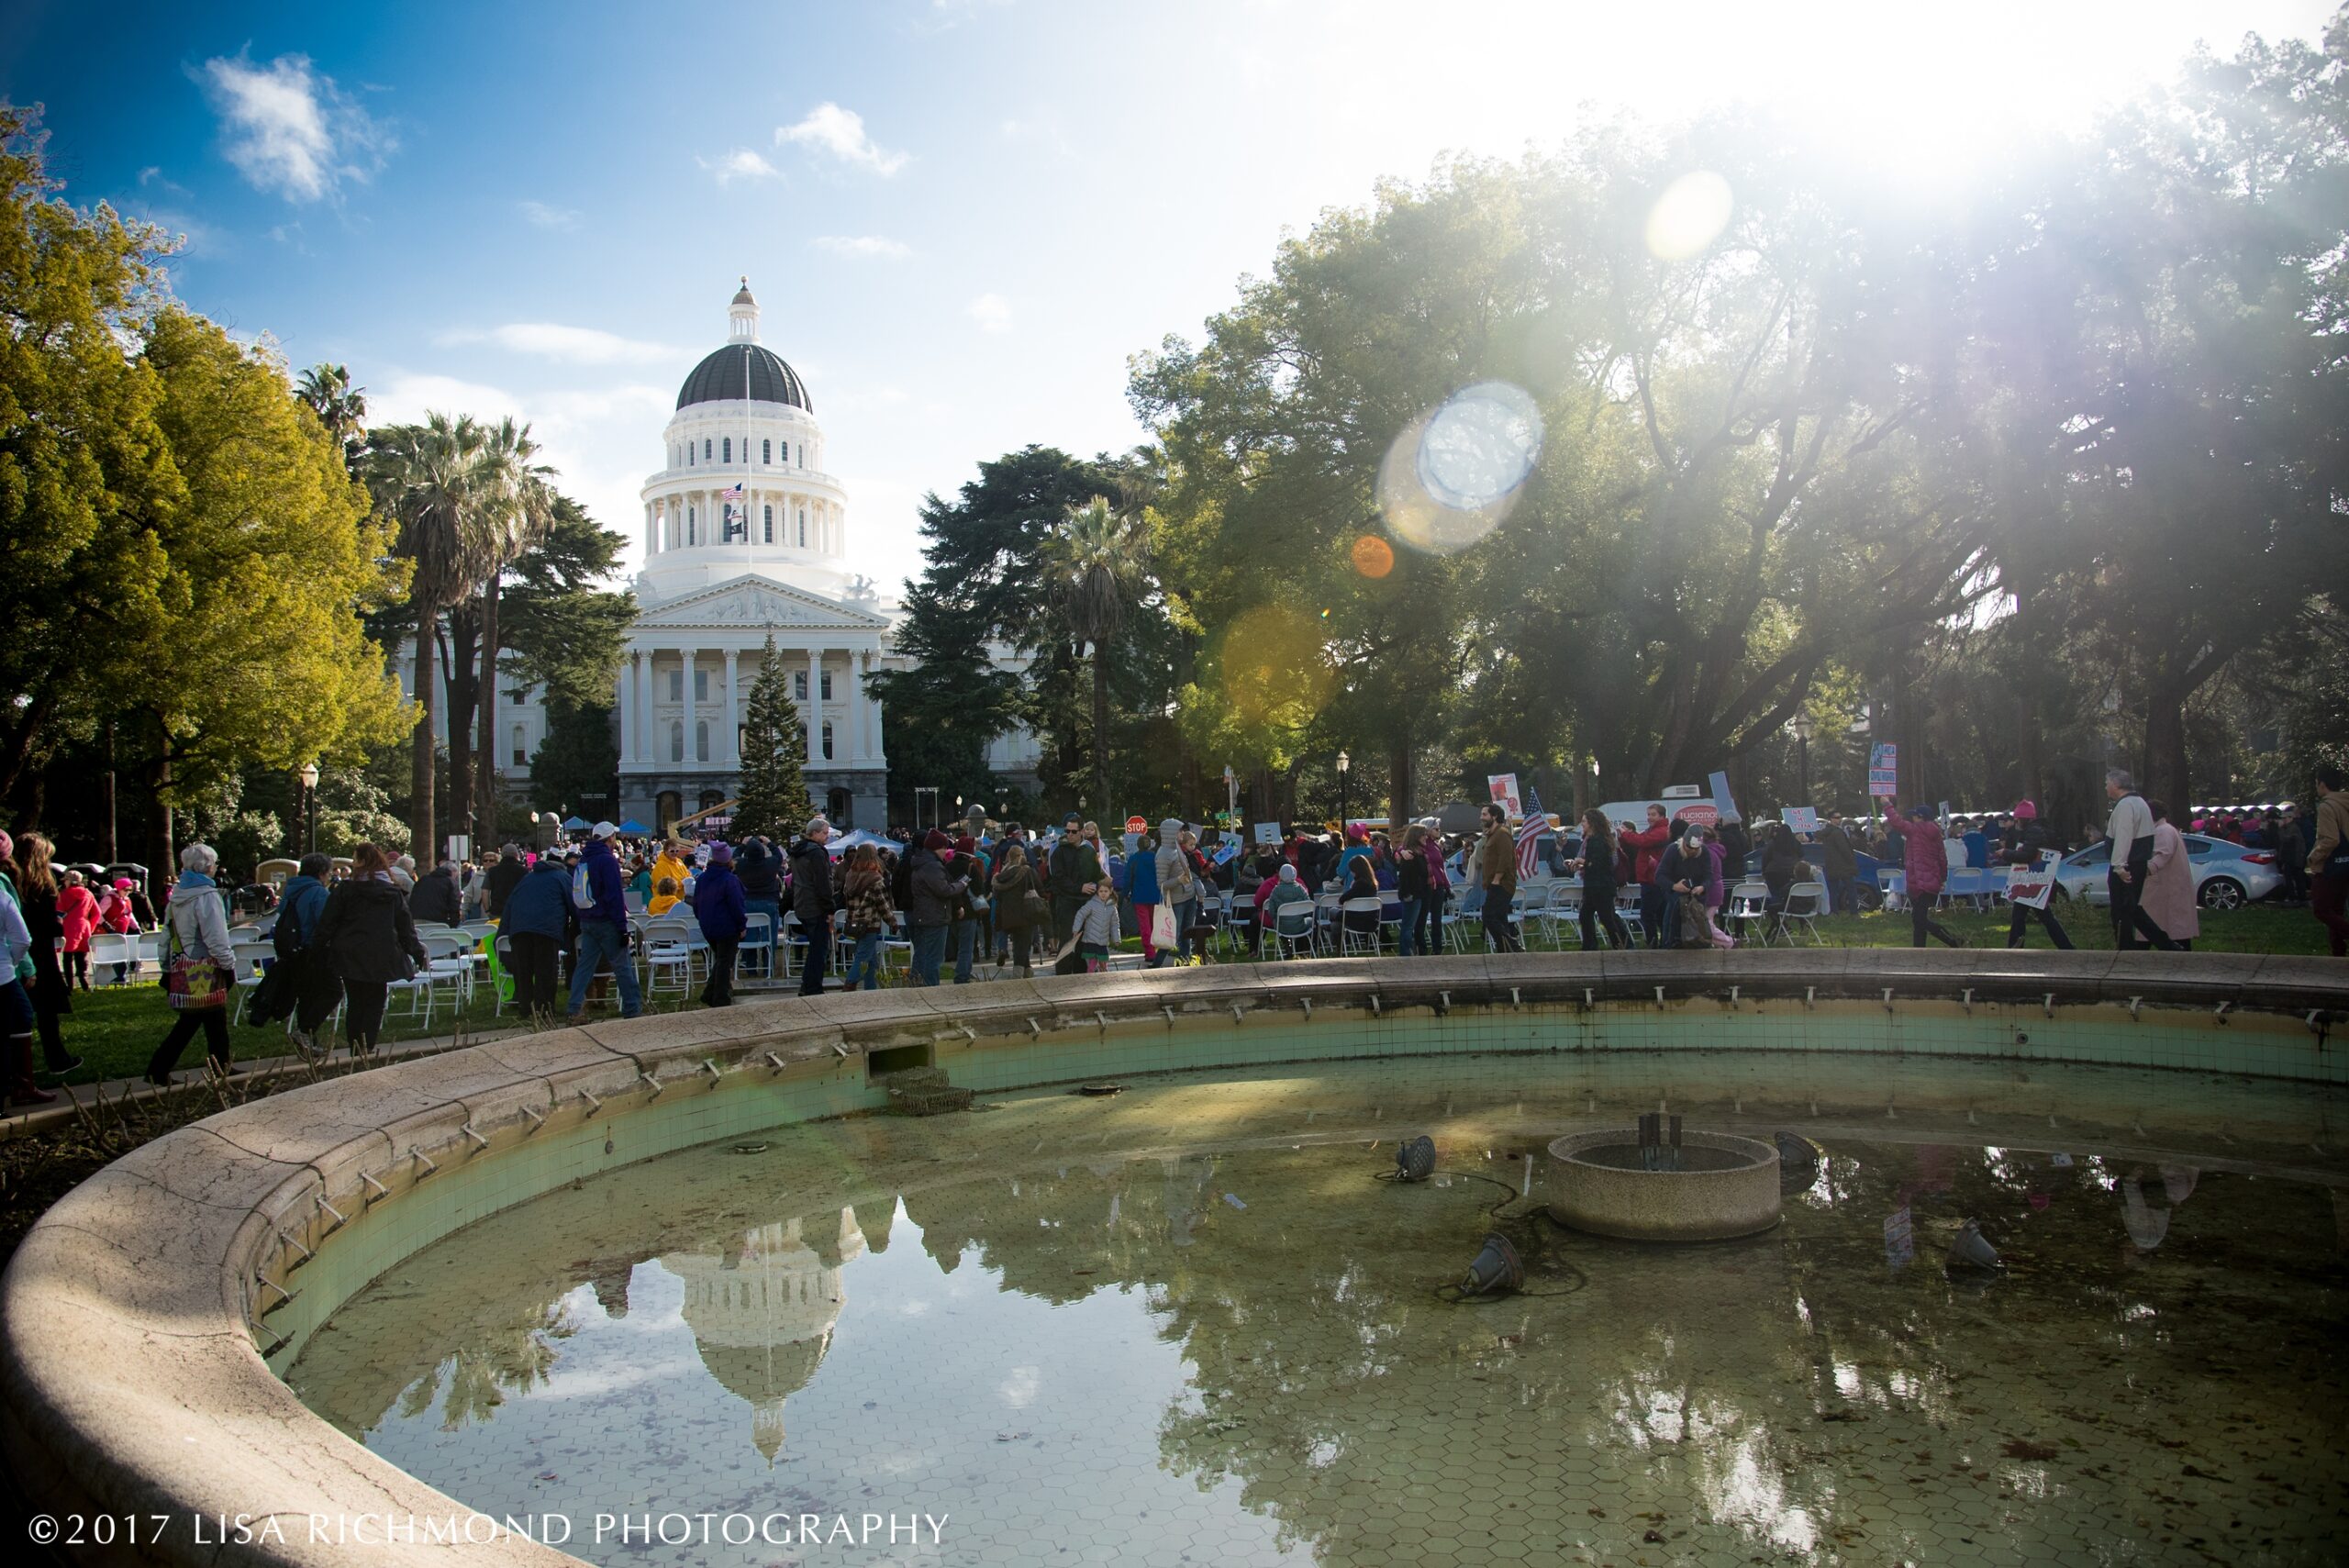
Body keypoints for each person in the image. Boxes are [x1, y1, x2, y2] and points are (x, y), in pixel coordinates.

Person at [307, 842, 430, 1057]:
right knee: (375, 1000)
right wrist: (416, 951)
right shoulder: (391, 892)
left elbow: (328, 922)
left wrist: (317, 948)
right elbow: (405, 927)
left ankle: (356, 1046)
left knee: (356, 1001)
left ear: (361, 863)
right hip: (380, 952)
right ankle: (368, 1045)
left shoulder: (345, 890)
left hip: (350, 952)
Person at [142, 842, 240, 1084]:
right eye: (214, 863)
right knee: (194, 1019)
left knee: (213, 1018)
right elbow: (216, 938)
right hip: (206, 965)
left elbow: (168, 933)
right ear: (207, 867)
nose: (216, 867)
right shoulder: (207, 896)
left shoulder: (179, 895)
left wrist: (165, 965)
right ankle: (158, 1069)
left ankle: (221, 1064)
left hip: (182, 963)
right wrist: (229, 965)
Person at [8, 834, 83, 1082]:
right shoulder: (44, 886)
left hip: (16, 952)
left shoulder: (12, 883)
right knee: (46, 1011)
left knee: (17, 1011)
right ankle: (56, 1058)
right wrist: (58, 923)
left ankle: (19, 1067)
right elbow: (48, 926)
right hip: (39, 951)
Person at [566, 822, 645, 1022]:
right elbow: (614, 896)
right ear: (610, 838)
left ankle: (574, 1008)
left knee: (585, 966)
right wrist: (622, 927)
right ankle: (632, 1007)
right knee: (622, 965)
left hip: (588, 919)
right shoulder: (607, 860)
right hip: (607, 921)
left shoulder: (584, 859)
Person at [273, 852, 345, 1056]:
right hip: (315, 948)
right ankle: (305, 1031)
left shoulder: (291, 890)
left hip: (294, 949)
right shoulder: (318, 893)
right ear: (322, 873)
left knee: (307, 995)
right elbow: (325, 922)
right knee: (333, 991)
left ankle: (308, 1042)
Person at [2103, 770, 2176, 951]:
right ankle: (2163, 944)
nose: (2105, 787)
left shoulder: (2125, 806)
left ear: (2115, 785)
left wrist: (2119, 866)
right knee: (2131, 908)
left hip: (2126, 864)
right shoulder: (2140, 803)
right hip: (2138, 862)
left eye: (2106, 783)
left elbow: (2124, 835)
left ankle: (2127, 947)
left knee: (2121, 909)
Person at [498, 848, 574, 1019]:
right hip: (546, 929)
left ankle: (525, 1008)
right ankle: (545, 1009)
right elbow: (573, 903)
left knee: (523, 971)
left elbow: (510, 904)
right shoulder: (563, 877)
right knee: (546, 970)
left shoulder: (528, 878)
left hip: (519, 930)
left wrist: (504, 932)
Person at [1881, 801, 1965, 949]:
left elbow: (1897, 822)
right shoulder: (1935, 833)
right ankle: (1919, 949)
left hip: (1917, 882)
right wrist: (1943, 879)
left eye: (1914, 816)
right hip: (1931, 881)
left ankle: (1952, 940)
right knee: (1919, 920)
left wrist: (1887, 805)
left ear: (1920, 817)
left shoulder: (1915, 830)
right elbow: (1942, 859)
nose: (1912, 818)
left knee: (1919, 920)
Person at [1998, 800, 2073, 951]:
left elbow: (2027, 855)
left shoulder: (2032, 832)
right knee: (2041, 917)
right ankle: (2066, 947)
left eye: (2018, 818)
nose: (2016, 822)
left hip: (2031, 880)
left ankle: (2015, 947)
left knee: (2022, 917)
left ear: (2023, 819)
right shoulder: (2039, 829)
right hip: (2035, 879)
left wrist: (2005, 853)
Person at [0, 864, 46, 1106]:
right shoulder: (2, 891)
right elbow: (21, 938)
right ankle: (14, 1088)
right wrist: (14, 962)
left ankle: (22, 1084)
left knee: (21, 1017)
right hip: (3, 974)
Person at [906, 829, 965, 986]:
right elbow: (943, 890)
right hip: (935, 917)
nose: (946, 851)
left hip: (924, 915)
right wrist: (961, 885)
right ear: (936, 848)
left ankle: (919, 984)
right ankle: (932, 990)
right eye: (944, 848)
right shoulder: (932, 866)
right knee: (934, 959)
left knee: (923, 955)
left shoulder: (921, 863)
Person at [693, 841, 748, 1006]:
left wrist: (701, 918)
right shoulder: (730, 880)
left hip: (708, 925)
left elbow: (696, 903)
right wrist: (742, 925)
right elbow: (737, 905)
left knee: (721, 959)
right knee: (725, 961)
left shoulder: (702, 878)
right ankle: (720, 997)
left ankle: (710, 992)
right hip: (727, 926)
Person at [1570, 809, 1631, 951]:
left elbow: (1597, 863)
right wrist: (1581, 863)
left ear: (1592, 823)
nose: (1582, 824)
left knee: (1607, 918)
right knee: (1586, 915)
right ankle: (1590, 946)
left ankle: (1620, 943)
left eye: (1584, 821)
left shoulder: (1596, 840)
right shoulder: (1599, 838)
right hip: (1596, 885)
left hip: (1600, 886)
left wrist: (1582, 861)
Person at [788, 817, 837, 995]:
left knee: (815, 948)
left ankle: (808, 985)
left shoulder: (797, 852)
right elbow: (822, 883)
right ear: (814, 833)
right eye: (824, 833)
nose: (827, 837)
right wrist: (830, 909)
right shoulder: (816, 852)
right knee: (818, 950)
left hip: (802, 903)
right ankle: (812, 987)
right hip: (815, 905)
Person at [2305, 765, 2349, 956]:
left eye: (2317, 784)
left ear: (2322, 784)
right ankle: (2338, 953)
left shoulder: (2326, 806)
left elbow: (2330, 839)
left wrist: (2314, 856)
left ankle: (2338, 952)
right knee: (2336, 911)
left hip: (2329, 865)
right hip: (2346, 864)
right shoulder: (2345, 802)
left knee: (2321, 910)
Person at [2143, 801, 2199, 951]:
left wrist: (2144, 870)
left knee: (2163, 926)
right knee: (2173, 926)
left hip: (2166, 890)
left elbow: (2162, 855)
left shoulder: (2162, 831)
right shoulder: (2168, 829)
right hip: (2168, 889)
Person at [840, 844, 895, 990]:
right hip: (870, 923)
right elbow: (882, 904)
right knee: (863, 958)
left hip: (854, 922)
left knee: (871, 960)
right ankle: (849, 983)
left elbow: (845, 899)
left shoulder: (849, 876)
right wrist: (892, 922)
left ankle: (871, 989)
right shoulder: (875, 878)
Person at [1620, 806, 1675, 949]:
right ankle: (1663, 941)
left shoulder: (1660, 831)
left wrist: (1625, 834)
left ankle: (1652, 941)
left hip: (1652, 879)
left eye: (1653, 815)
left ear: (1662, 816)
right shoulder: (1655, 830)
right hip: (1650, 877)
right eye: (1648, 814)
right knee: (1660, 913)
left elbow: (1642, 841)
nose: (1649, 817)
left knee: (1648, 913)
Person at [1475, 802, 1521, 952]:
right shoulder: (1492, 835)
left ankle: (1513, 945)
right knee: (1500, 919)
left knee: (1489, 916)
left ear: (1494, 816)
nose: (1481, 818)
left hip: (1501, 885)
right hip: (1492, 884)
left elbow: (1505, 858)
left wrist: (1497, 879)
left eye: (1484, 814)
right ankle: (1504, 951)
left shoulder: (1502, 833)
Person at [991, 843, 1041, 978]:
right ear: (1021, 856)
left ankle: (1027, 969)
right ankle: (1018, 972)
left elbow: (997, 895)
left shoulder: (1002, 875)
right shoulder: (1027, 871)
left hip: (1008, 915)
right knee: (1024, 942)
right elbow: (1039, 888)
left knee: (1019, 942)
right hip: (1026, 912)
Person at [1157, 819, 1202, 964]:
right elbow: (1161, 885)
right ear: (1171, 833)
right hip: (1177, 901)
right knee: (1172, 937)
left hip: (1189, 896)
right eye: (1180, 831)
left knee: (1187, 935)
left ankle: (1185, 963)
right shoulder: (1163, 854)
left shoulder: (1177, 849)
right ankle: (1156, 965)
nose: (1183, 833)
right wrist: (1178, 880)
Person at [1047, 813, 1096, 938]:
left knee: (1084, 940)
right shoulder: (1059, 851)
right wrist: (1079, 887)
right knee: (1067, 940)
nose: (1070, 834)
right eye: (1067, 831)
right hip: (1066, 901)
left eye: (1073, 832)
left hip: (1085, 901)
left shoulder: (1089, 850)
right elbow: (1058, 878)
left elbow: (1095, 873)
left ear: (1081, 832)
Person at [1123, 828, 1164, 965]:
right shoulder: (1156, 857)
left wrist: (1124, 894)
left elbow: (1128, 879)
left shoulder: (1134, 859)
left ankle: (1149, 951)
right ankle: (1156, 948)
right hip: (1155, 894)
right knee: (1154, 923)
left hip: (1139, 896)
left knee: (1144, 925)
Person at [737, 833, 784, 951]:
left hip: (747, 901)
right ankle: (768, 966)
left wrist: (743, 845)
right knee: (769, 937)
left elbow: (735, 856)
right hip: (768, 901)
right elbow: (779, 855)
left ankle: (751, 966)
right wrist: (769, 843)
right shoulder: (771, 863)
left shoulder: (742, 865)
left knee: (750, 938)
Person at [1069, 878, 1122, 973]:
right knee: (1091, 966)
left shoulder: (1112, 908)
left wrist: (1117, 938)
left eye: (1105, 891)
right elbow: (1080, 914)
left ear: (1110, 891)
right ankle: (1091, 980)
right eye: (1101, 891)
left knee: (1104, 966)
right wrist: (1076, 929)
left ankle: (1102, 980)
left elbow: (1115, 924)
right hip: (1090, 941)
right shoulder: (1091, 904)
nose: (1103, 893)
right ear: (1097, 892)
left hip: (1103, 942)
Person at [57, 869, 96, 993]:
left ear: (69, 881)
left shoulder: (63, 894)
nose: (64, 883)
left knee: (67, 958)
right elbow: (97, 913)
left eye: (66, 880)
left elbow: (59, 914)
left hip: (69, 927)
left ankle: (69, 986)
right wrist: (91, 927)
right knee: (81, 957)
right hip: (84, 927)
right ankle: (84, 983)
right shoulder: (88, 893)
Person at [1816, 812, 1859, 915]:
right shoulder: (1837, 833)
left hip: (1831, 866)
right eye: (1836, 818)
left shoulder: (1826, 833)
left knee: (1833, 891)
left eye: (1840, 817)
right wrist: (1852, 861)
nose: (1839, 819)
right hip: (1844, 866)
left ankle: (1834, 911)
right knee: (1851, 890)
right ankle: (1854, 912)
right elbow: (1844, 850)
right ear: (1830, 819)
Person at [1760, 821, 1801, 914]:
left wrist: (1763, 871)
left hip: (1772, 873)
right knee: (1787, 893)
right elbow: (1801, 856)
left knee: (1775, 894)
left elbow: (1765, 858)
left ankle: (1776, 913)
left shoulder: (1773, 843)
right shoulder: (1795, 844)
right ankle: (1785, 912)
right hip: (1789, 873)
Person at [408, 857, 462, 927]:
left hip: (416, 918)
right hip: (437, 920)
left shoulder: (423, 879)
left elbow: (413, 897)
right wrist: (453, 925)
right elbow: (454, 905)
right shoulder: (450, 882)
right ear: (453, 872)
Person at [484, 845, 528, 920]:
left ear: (502, 855)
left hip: (497, 911)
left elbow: (485, 891)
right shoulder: (523, 871)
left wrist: (487, 910)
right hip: (517, 911)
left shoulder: (492, 871)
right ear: (516, 855)